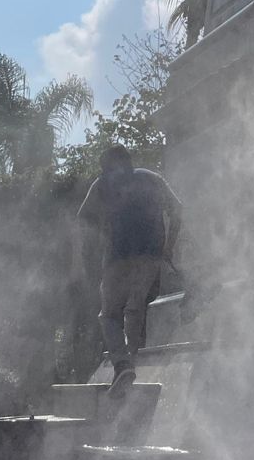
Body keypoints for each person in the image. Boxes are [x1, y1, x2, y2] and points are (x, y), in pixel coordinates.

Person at [77, 145, 183, 396]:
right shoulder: (151, 179)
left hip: (117, 258)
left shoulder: (101, 184)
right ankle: (128, 371)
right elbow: (178, 210)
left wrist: (88, 258)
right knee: (135, 310)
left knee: (110, 315)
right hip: (150, 257)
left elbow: (82, 220)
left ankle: (123, 365)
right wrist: (169, 246)